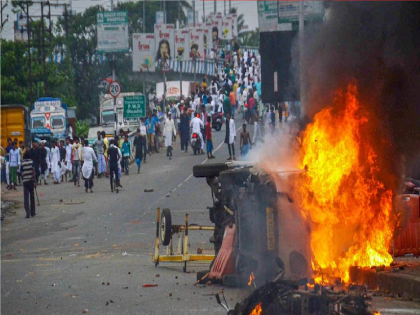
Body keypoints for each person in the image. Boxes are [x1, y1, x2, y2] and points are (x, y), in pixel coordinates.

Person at [21, 151, 36, 218]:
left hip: (25, 181)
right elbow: (33, 171)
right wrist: (35, 181)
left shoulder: (22, 163)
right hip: (31, 181)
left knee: (26, 197)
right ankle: (33, 212)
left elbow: (21, 171)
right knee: (32, 196)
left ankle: (27, 213)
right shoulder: (31, 162)